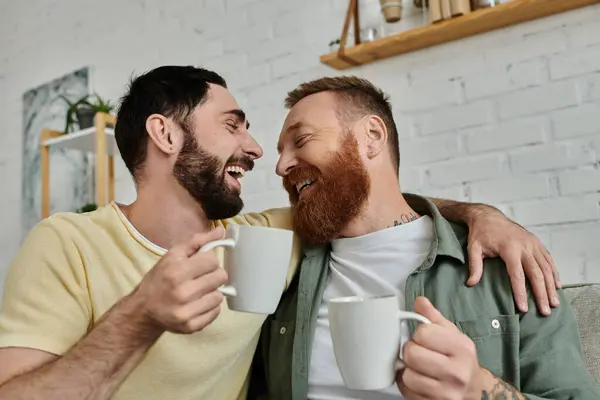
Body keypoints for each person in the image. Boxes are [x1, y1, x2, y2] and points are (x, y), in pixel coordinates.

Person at [0, 66, 560, 400]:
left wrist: (481, 213)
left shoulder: (263, 240)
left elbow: (359, 195)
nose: (260, 151)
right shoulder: (67, 243)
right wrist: (141, 314)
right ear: (164, 133)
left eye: (293, 139)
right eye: (232, 124)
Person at [252, 75, 600, 400]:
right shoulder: (279, 268)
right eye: (282, 150)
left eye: (301, 140)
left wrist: (480, 388)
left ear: (372, 136)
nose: (281, 166)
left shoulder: (502, 264)